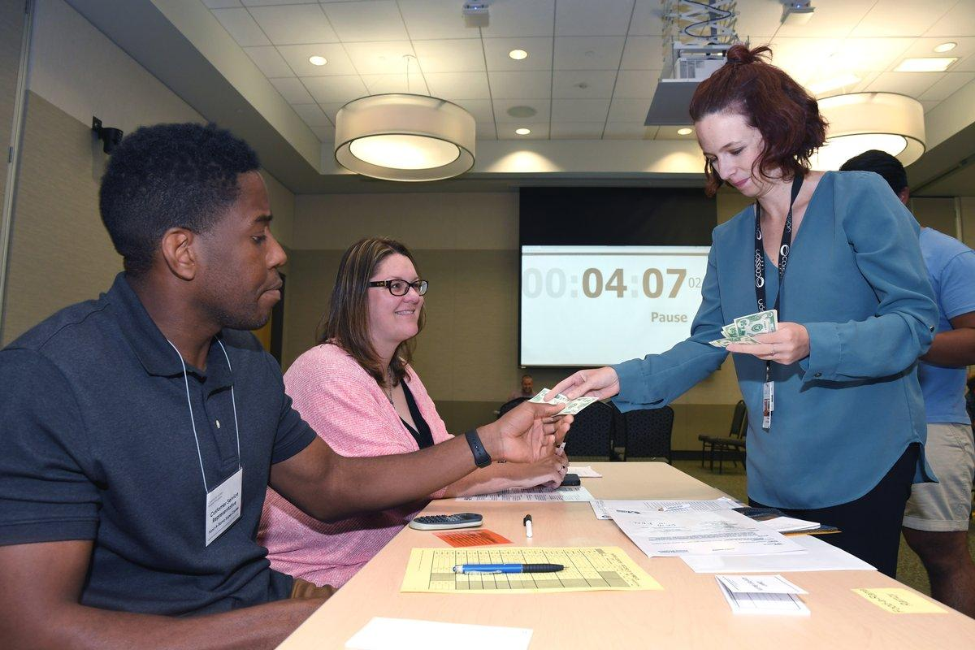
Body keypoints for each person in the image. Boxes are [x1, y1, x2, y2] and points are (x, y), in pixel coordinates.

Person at [0, 123, 569, 649]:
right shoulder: (49, 380)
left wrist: (488, 441)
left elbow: (333, 482)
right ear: (183, 251)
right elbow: (32, 627)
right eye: (258, 236)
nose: (279, 254)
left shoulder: (245, 360)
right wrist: (296, 622)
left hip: (265, 607)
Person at [550, 44, 939, 578]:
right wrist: (621, 376)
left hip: (862, 457)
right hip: (773, 466)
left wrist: (813, 342)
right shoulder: (730, 239)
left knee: (852, 613)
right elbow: (710, 341)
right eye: (713, 157)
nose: (725, 170)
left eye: (735, 150)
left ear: (779, 130)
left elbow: (914, 323)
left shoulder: (858, 197)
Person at [259, 238, 567, 588]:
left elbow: (442, 457)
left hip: (395, 551)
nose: (414, 296)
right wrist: (519, 472)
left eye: (416, 285)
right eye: (395, 286)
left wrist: (521, 460)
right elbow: (407, 482)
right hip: (324, 573)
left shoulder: (401, 370)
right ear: (355, 295)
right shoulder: (325, 370)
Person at [840, 149, 975, 617]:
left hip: (932, 426)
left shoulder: (948, 256)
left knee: (941, 553)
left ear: (903, 196)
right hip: (859, 428)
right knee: (855, 557)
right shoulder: (846, 257)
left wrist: (899, 339)